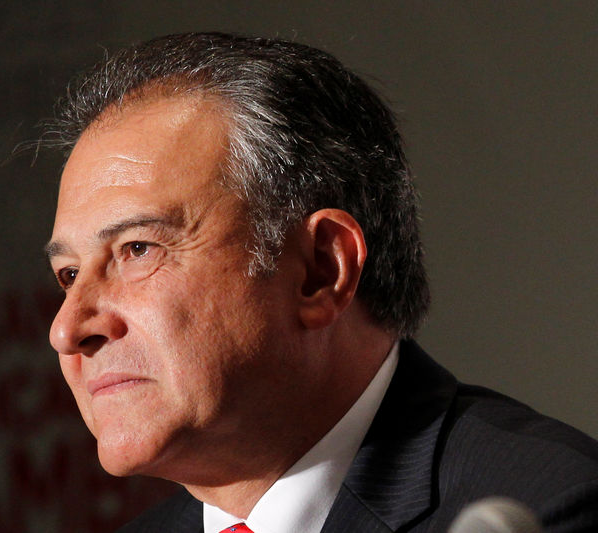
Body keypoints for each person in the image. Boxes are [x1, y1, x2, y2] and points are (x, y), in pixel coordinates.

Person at [39, 32, 598, 532]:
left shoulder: (545, 509)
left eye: (138, 249)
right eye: (68, 275)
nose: (67, 330)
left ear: (320, 270)